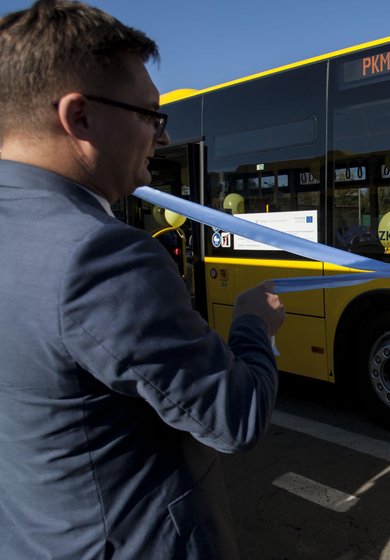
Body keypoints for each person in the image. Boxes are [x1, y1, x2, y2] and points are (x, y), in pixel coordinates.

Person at [0, 2, 286, 558]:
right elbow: (235, 417)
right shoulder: (98, 254)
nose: (159, 137)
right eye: (150, 115)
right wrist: (253, 322)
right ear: (79, 117)